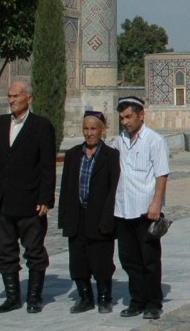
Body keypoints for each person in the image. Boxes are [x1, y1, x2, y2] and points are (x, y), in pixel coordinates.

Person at [0, 80, 56, 314]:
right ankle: (12, 297)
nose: (11, 100)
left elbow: (46, 166)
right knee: (5, 251)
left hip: (30, 202)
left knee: (33, 250)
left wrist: (45, 198)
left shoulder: (41, 126)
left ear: (29, 98)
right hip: (2, 202)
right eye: (9, 96)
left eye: (16, 96)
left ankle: (34, 296)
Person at [112, 96, 170, 320]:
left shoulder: (154, 140)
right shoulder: (120, 142)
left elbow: (161, 174)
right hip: (123, 210)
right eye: (122, 118)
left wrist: (156, 203)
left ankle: (153, 302)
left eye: (128, 117)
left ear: (141, 115)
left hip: (146, 210)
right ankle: (136, 300)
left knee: (149, 260)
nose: (125, 122)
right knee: (129, 260)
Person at [58, 111, 120, 314]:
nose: (89, 133)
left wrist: (109, 218)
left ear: (102, 130)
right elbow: (66, 188)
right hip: (78, 217)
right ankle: (85, 297)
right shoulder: (73, 155)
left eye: (93, 128)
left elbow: (113, 190)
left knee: (101, 261)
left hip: (100, 216)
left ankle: (104, 297)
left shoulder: (111, 156)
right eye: (86, 128)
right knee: (78, 261)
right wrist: (65, 219)